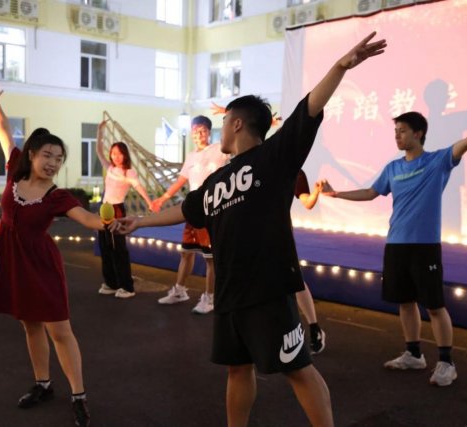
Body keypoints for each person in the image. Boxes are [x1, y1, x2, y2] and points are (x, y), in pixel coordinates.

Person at [117, 32, 386, 427]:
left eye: (224, 122)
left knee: (297, 369)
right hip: (230, 293)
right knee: (237, 370)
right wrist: (140, 220)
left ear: (238, 123)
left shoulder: (274, 156)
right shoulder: (217, 180)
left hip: (269, 290)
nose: (220, 130)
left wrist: (340, 66)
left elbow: (308, 109)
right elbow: (186, 210)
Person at [320, 110, 467, 387]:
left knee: (434, 305)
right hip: (396, 244)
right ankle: (414, 354)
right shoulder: (393, 168)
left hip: (425, 247)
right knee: (406, 302)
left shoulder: (438, 161)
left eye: (402, 131)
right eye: (395, 131)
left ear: (418, 133)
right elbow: (370, 193)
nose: (397, 136)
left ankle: (446, 363)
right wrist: (335, 193)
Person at [0, 81, 113, 427]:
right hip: (12, 261)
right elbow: (3, 130)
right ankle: (43, 384)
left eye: (59, 159)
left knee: (59, 331)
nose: (53, 163)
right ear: (31, 154)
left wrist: (108, 223)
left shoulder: (57, 196)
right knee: (30, 325)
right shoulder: (14, 167)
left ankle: (79, 396)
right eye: (48, 156)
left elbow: (86, 217)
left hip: (41, 265)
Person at [150, 116, 228, 315]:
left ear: (209, 132)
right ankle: (179, 291)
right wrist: (162, 199)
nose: (198, 135)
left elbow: (238, 145)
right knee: (186, 252)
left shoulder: (218, 149)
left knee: (210, 257)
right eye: (195, 131)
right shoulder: (191, 156)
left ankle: (210, 297)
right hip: (193, 208)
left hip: (211, 208)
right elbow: (181, 180)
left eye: (202, 130)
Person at [95, 121, 155, 299]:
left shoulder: (129, 173)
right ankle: (111, 283)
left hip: (117, 210)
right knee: (105, 247)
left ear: (125, 155)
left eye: (119, 153)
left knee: (118, 248)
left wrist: (150, 202)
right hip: (104, 209)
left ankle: (127, 286)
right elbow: (98, 151)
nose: (116, 156)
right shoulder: (110, 168)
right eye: (113, 153)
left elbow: (139, 187)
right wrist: (99, 132)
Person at [294, 170, 326, 354]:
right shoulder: (253, 166)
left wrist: (315, 192)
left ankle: (314, 328)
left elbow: (307, 202)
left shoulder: (294, 171)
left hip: (279, 233)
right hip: (253, 234)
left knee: (295, 281)